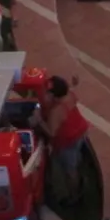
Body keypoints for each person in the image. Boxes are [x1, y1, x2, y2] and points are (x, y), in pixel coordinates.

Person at [43, 75, 90, 205]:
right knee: (76, 158)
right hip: (80, 132)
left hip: (68, 143)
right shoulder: (69, 95)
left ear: (55, 96)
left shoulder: (57, 111)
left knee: (69, 170)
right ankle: (79, 177)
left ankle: (74, 195)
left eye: (49, 92)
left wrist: (39, 121)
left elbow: (51, 132)